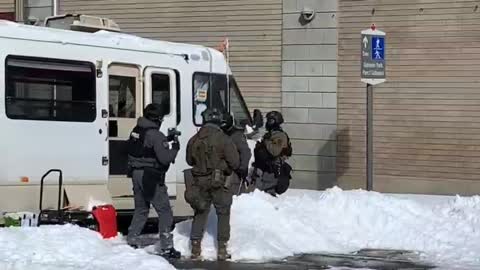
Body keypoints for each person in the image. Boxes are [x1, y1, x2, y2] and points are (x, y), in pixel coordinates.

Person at [126, 103, 181, 259]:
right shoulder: (157, 135)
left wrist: (165, 140)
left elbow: (145, 147)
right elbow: (164, 159)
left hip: (136, 174)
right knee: (164, 211)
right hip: (150, 176)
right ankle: (167, 247)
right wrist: (175, 147)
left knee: (141, 209)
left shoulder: (137, 130)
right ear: (157, 119)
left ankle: (132, 238)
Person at [185, 108, 240, 261]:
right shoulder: (224, 139)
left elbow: (189, 161)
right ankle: (222, 249)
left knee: (200, 213)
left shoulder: (194, 139)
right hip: (219, 182)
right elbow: (235, 162)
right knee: (223, 214)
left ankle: (195, 248)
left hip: (199, 181)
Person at [252, 111, 293, 196]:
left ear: (276, 121)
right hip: (264, 171)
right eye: (268, 120)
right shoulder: (270, 134)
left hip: (272, 173)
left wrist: (265, 142)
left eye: (270, 121)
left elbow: (275, 151)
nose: (268, 123)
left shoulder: (280, 135)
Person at [221, 113, 252, 195]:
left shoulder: (236, 136)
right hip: (220, 172)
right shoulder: (220, 134)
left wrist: (242, 168)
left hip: (234, 173)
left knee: (234, 197)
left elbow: (245, 153)